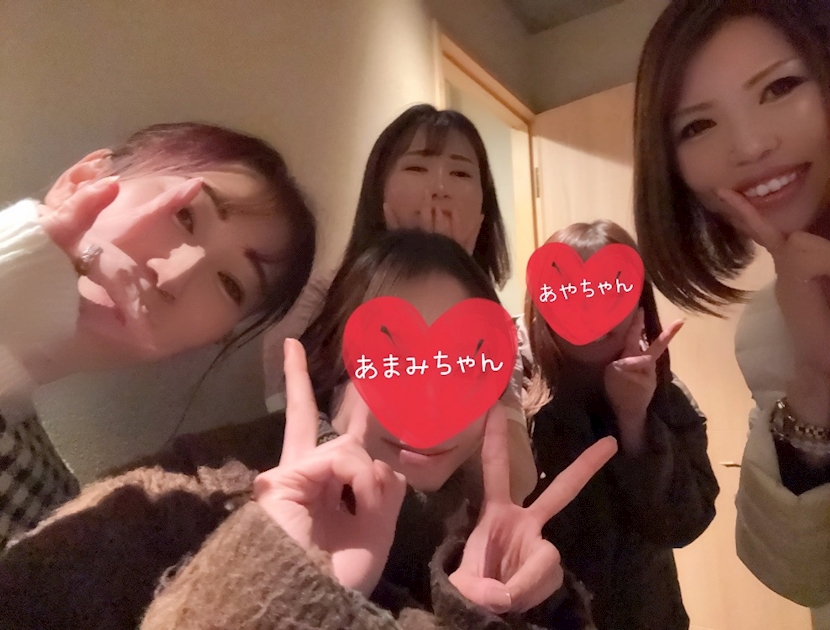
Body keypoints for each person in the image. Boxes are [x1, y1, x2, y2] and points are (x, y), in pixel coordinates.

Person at [0, 230, 615, 630]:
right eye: (396, 361)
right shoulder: (187, 496)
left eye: (461, 367)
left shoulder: (480, 526)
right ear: (334, 364)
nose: (432, 401)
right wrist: (269, 569)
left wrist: (508, 611)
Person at [0, 121, 316, 546]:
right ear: (82, 180)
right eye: (185, 216)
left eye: (230, 284)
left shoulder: (49, 510)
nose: (173, 276)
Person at [633, 0, 830, 615]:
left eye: (780, 87)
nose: (751, 146)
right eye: (699, 125)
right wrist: (815, 378)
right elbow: (802, 578)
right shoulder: (770, 331)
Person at [263, 104, 537, 503]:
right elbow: (281, 389)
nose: (439, 188)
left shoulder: (496, 330)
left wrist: (455, 270)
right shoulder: (328, 292)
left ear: (483, 208)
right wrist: (393, 263)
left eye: (460, 173)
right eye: (417, 168)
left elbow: (516, 478)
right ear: (379, 190)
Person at [520, 220, 718, 630]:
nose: (590, 309)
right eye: (570, 292)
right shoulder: (519, 396)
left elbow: (684, 524)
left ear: (640, 304)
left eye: (610, 289)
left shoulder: (665, 395)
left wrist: (635, 419)